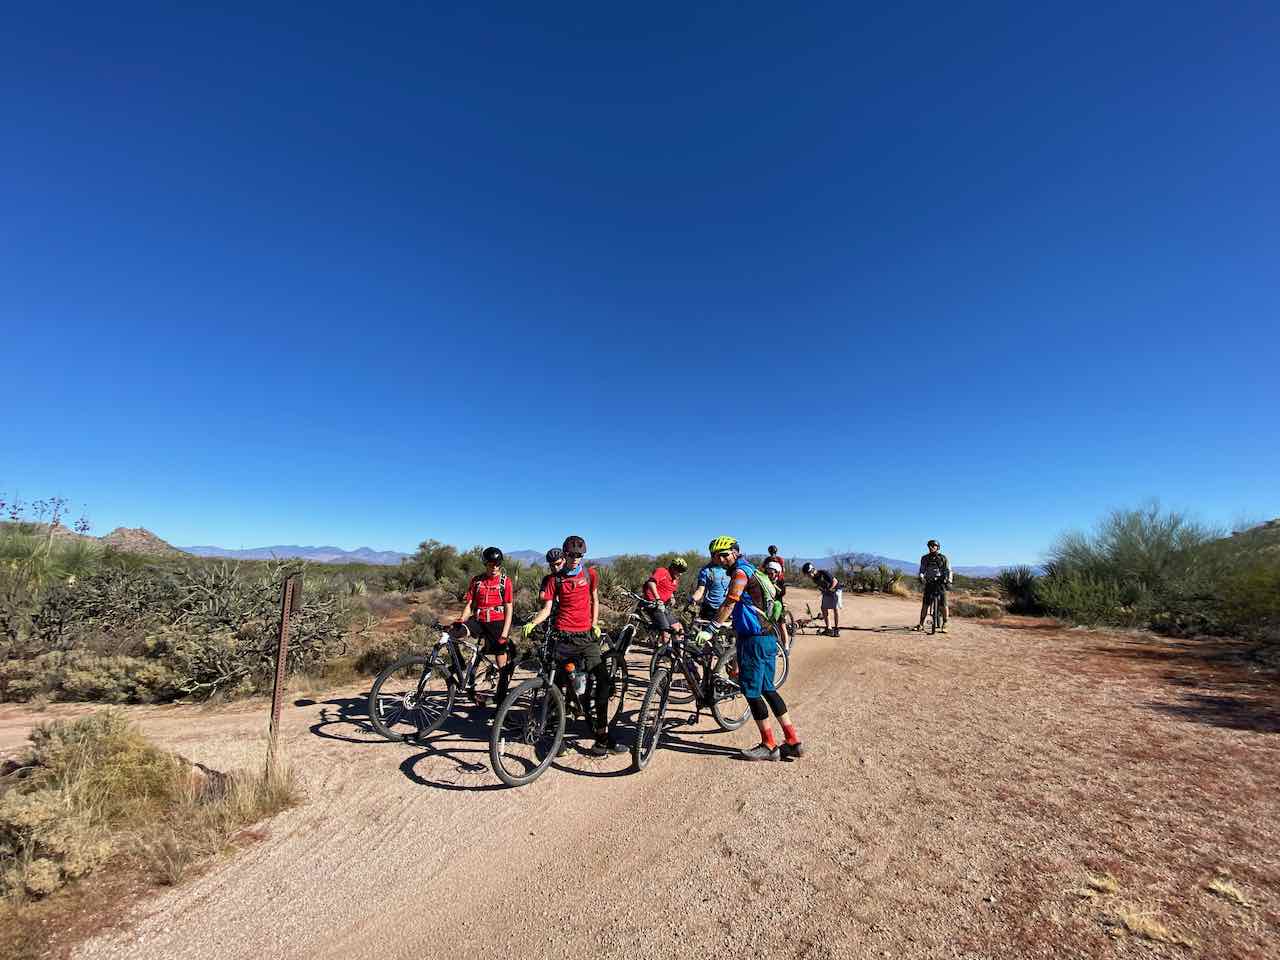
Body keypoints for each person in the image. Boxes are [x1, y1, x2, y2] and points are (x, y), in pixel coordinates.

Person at [521, 535, 624, 756]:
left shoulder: (590, 574)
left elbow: (595, 600)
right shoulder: (554, 580)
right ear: (565, 554)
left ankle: (603, 736)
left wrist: (595, 624)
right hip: (563, 640)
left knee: (604, 682)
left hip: (587, 639)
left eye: (579, 555)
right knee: (557, 687)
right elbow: (547, 609)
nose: (576, 559)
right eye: (572, 555)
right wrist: (533, 622)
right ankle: (556, 736)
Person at [706, 535, 803, 762]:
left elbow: (730, 601)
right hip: (769, 637)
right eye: (716, 556)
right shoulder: (752, 570)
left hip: (754, 640)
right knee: (768, 689)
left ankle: (769, 745)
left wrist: (711, 628)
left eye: (724, 554)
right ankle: (792, 740)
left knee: (751, 691)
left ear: (735, 552)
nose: (720, 559)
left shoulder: (740, 573)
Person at [452, 546, 515, 709]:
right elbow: (470, 605)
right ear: (485, 564)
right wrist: (461, 619)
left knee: (502, 664)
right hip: (478, 620)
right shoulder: (477, 581)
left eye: (497, 564)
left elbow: (509, 608)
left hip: (497, 623)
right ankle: (460, 665)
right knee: (452, 635)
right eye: (490, 564)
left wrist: (505, 632)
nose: (494, 567)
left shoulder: (505, 582)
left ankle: (501, 701)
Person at [642, 556, 687, 640]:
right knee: (666, 630)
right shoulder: (662, 571)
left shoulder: (675, 579)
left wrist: (672, 598)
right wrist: (658, 599)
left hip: (663, 607)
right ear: (673, 568)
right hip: (654, 604)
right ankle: (665, 651)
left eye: (683, 571)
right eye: (679, 570)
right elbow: (651, 583)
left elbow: (670, 591)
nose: (680, 573)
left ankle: (678, 651)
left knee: (678, 627)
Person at [914, 539, 953, 632]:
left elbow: (948, 570)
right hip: (929, 582)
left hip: (940, 582)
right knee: (925, 605)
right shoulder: (925, 558)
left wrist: (949, 580)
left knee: (943, 604)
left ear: (937, 547)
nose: (931, 548)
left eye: (933, 546)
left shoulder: (943, 558)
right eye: (930, 546)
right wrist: (921, 576)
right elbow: (922, 569)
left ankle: (945, 623)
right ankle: (921, 624)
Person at [800, 562, 842, 636]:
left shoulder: (823, 573)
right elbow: (821, 586)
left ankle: (836, 629)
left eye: (808, 574)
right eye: (807, 575)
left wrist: (829, 589)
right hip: (827, 592)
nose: (808, 576)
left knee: (835, 609)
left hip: (836, 590)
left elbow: (835, 581)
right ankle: (829, 628)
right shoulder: (814, 578)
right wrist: (823, 592)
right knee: (824, 608)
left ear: (812, 570)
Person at [689, 554, 731, 622]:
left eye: (722, 555)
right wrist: (693, 600)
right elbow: (700, 590)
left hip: (726, 609)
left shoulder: (729, 569)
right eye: (717, 555)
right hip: (709, 609)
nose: (721, 558)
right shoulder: (706, 571)